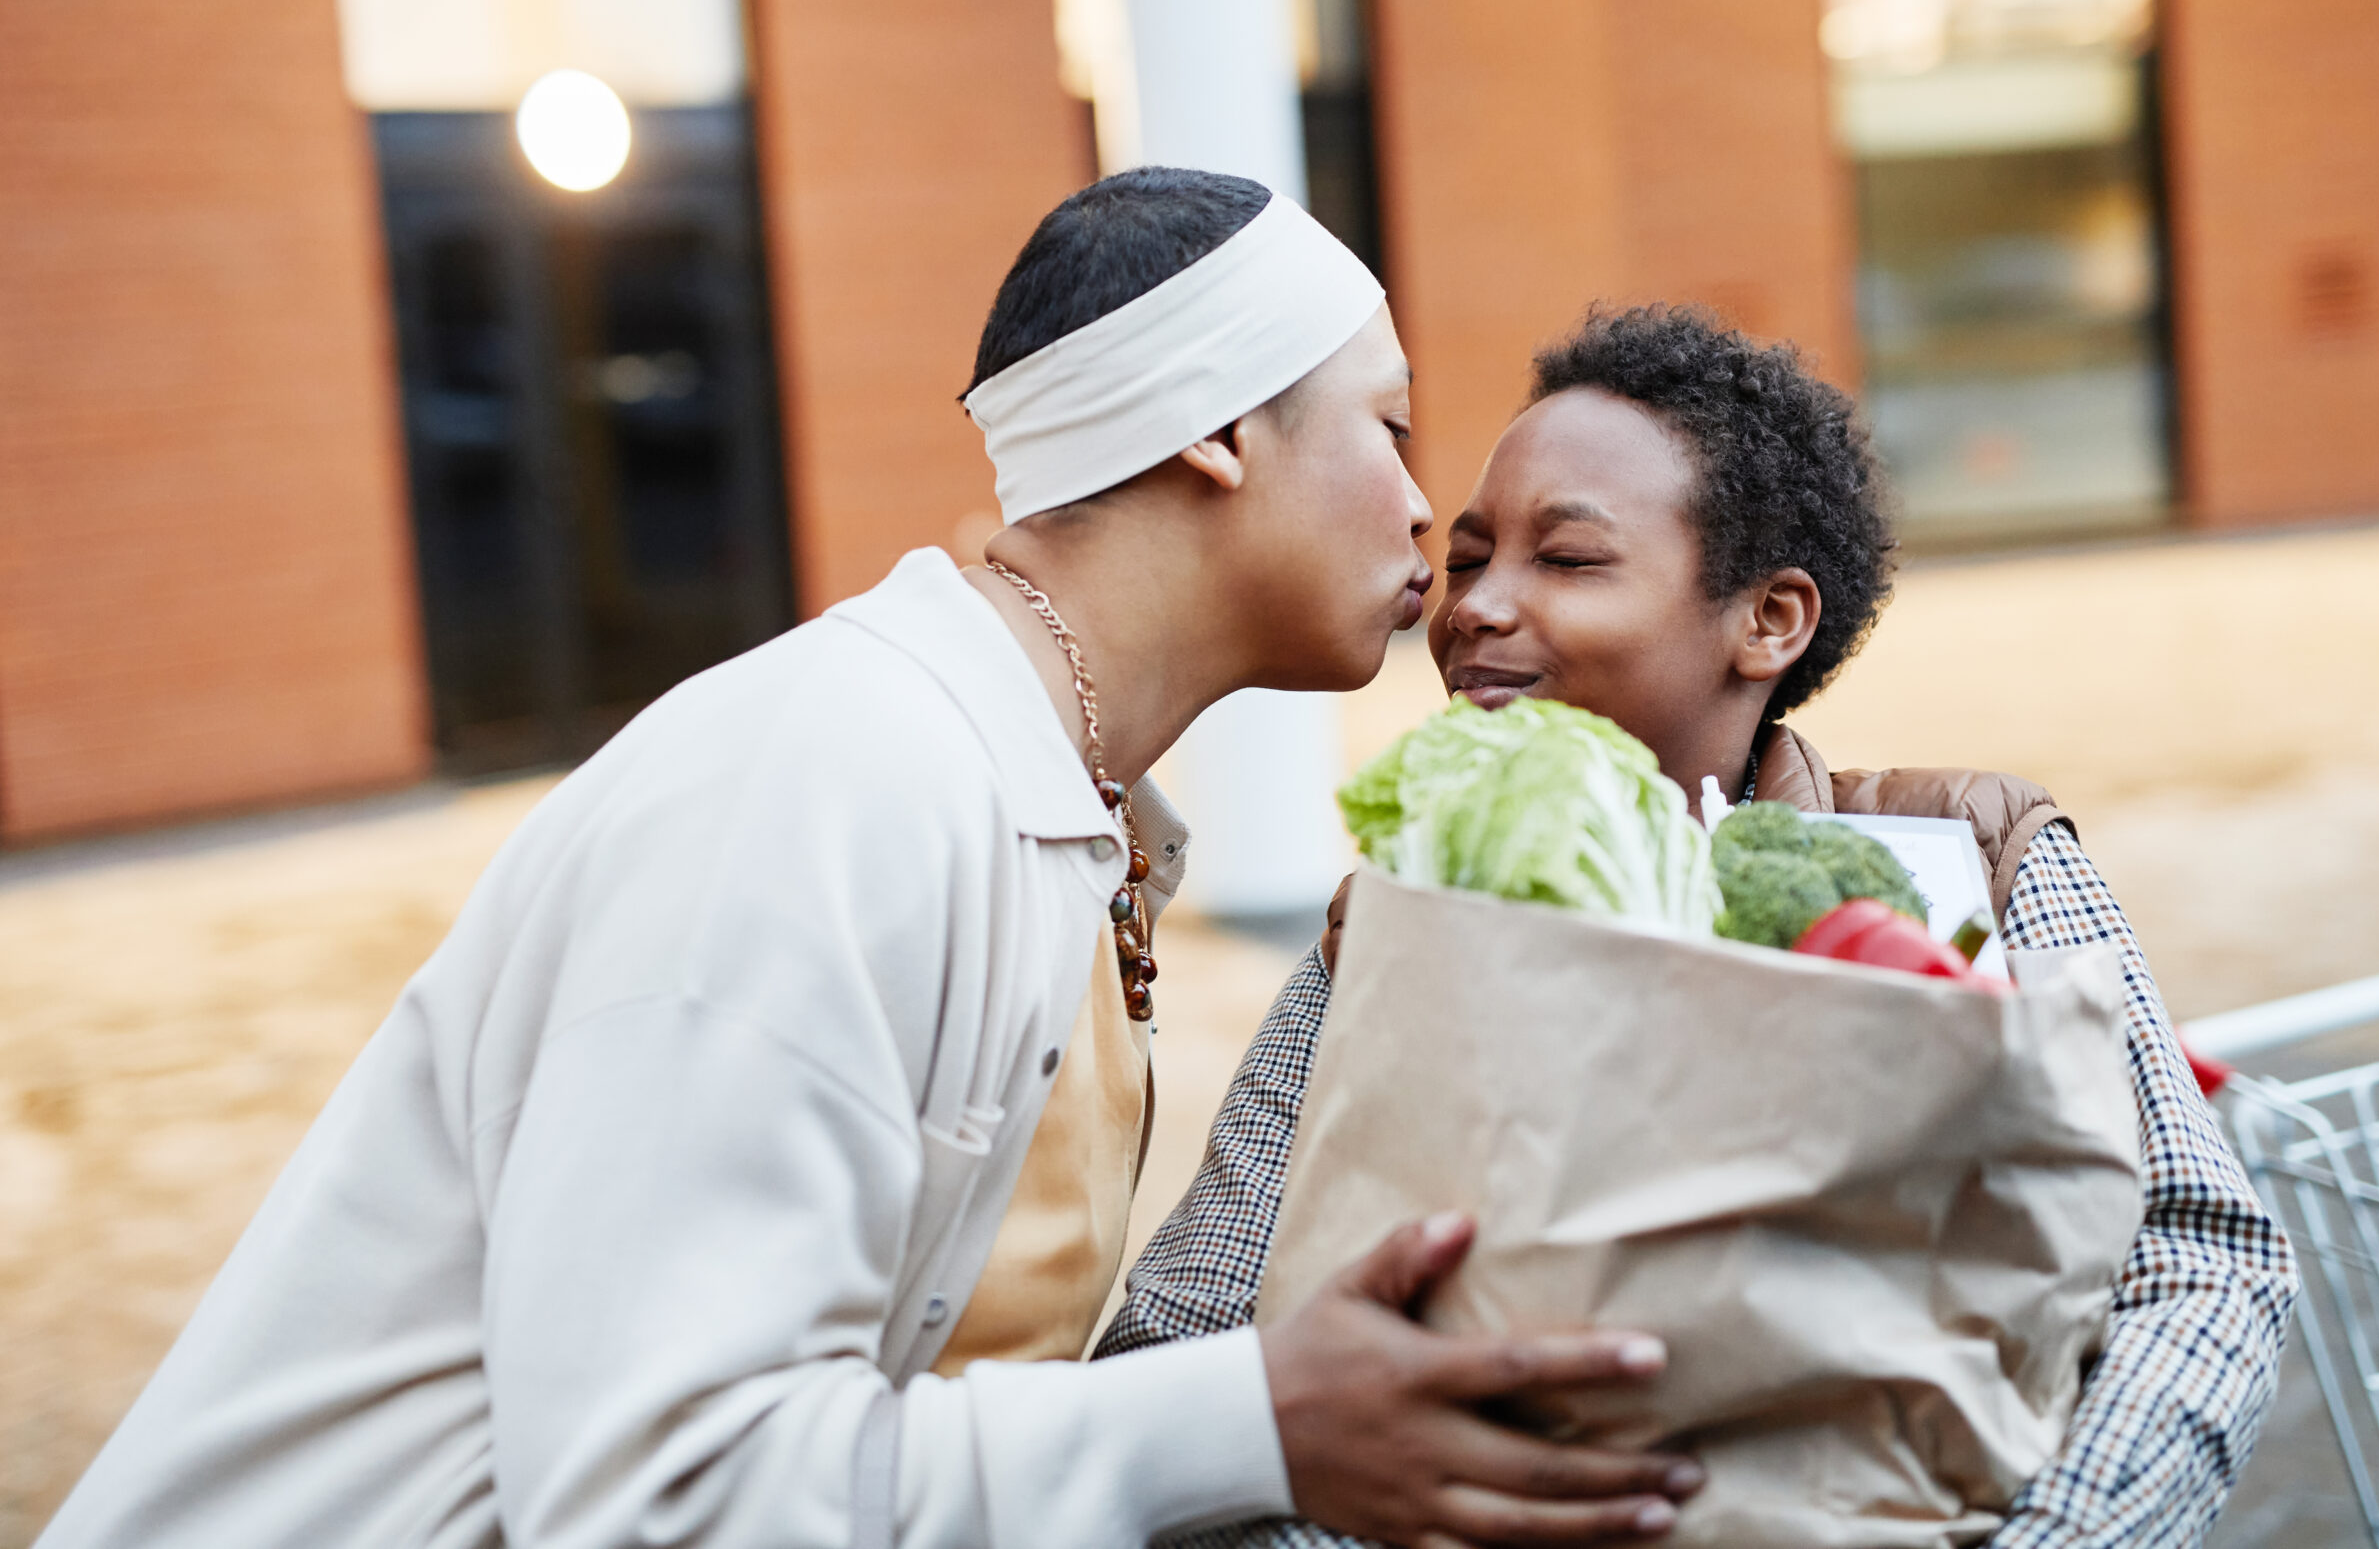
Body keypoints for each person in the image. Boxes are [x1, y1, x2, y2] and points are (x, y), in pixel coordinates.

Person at [34, 175, 1705, 1549]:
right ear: (1212, 429)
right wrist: (1247, 1420)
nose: (1429, 511)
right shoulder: (827, 780)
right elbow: (654, 1503)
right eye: (1389, 425)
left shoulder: (1055, 803)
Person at [1099, 303, 2303, 1549]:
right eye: (1467, 560)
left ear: (1768, 619)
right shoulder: (1393, 927)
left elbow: (2198, 1257)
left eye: (1565, 560)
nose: (1475, 609)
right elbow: (1188, 1339)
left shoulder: (1971, 855)